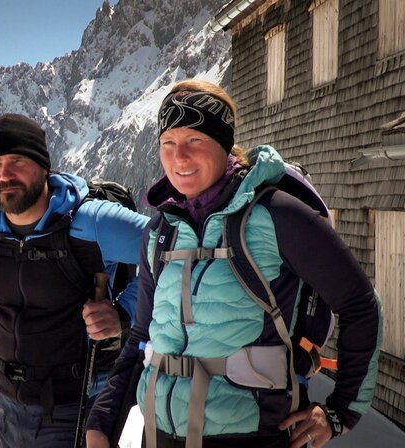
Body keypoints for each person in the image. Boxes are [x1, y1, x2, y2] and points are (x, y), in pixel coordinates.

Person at [85, 80, 383, 448]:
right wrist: (103, 420)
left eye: (195, 140)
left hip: (252, 435)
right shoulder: (160, 232)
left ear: (223, 145)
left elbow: (360, 304)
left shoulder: (277, 216)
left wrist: (340, 412)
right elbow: (143, 337)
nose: (180, 157)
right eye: (168, 143)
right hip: (158, 435)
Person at [0, 113, 150, 447]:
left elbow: (175, 250)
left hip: (74, 408)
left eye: (17, 161)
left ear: (42, 165)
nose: (4, 175)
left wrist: (125, 311)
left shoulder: (90, 222)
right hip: (6, 405)